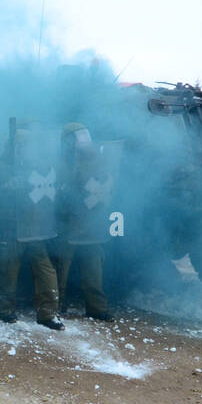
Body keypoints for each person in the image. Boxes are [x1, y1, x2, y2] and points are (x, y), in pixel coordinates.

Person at [0, 126, 64, 329]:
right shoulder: (1, 167)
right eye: (21, 145)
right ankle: (5, 310)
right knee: (8, 270)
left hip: (34, 227)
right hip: (11, 227)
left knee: (45, 271)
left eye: (27, 145)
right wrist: (7, 187)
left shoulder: (38, 166)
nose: (25, 148)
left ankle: (48, 313)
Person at [53, 122, 114, 322]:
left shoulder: (94, 160)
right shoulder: (60, 162)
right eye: (78, 136)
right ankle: (56, 306)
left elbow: (103, 185)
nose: (82, 140)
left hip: (89, 223)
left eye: (84, 135)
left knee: (93, 266)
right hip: (67, 223)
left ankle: (97, 307)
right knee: (61, 267)